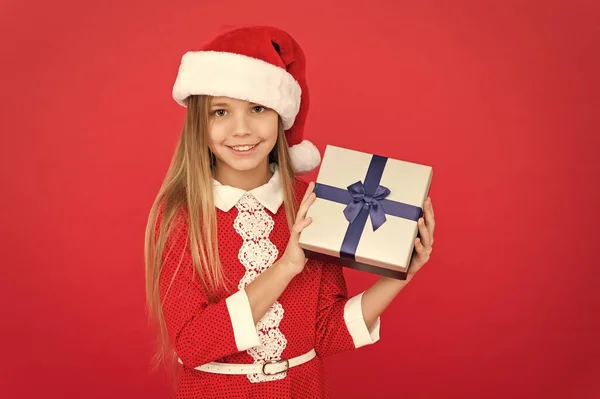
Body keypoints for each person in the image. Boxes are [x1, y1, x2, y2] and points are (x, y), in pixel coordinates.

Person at [144, 25, 436, 399]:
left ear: (281, 117)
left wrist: (400, 275)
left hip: (302, 389)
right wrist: (285, 267)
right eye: (221, 111)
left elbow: (327, 333)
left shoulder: (313, 204)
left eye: (258, 108)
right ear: (200, 123)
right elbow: (192, 345)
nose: (241, 129)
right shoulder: (180, 217)